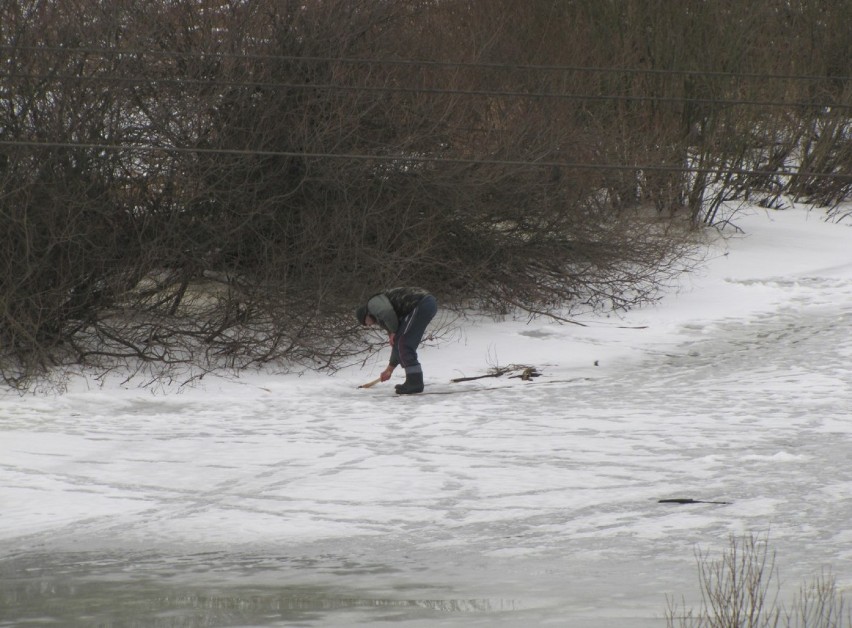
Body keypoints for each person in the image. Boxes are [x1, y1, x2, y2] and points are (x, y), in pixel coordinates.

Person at [355, 287, 437, 394]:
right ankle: (413, 381)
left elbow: (387, 311)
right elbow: (396, 345)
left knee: (404, 343)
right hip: (426, 305)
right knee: (402, 343)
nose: (369, 325)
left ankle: (415, 383)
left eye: (366, 323)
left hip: (421, 303)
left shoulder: (373, 304)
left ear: (366, 314)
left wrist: (393, 331)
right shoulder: (386, 320)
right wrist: (389, 370)